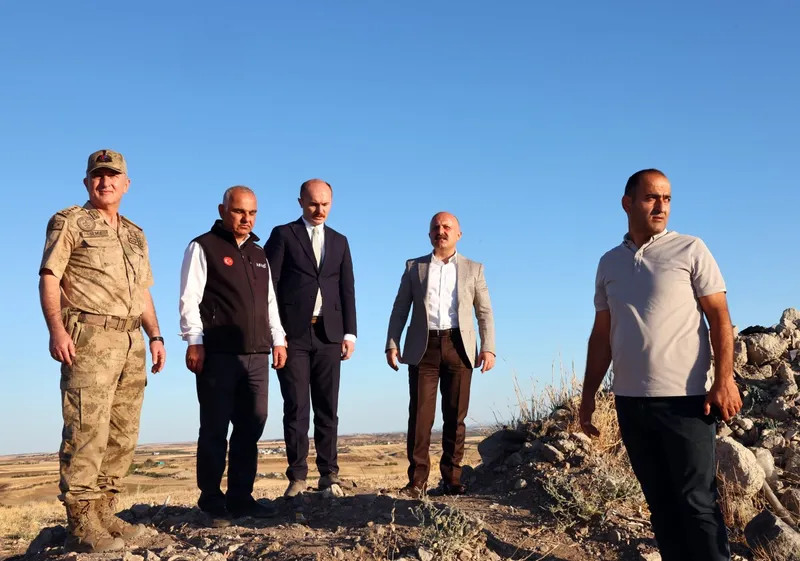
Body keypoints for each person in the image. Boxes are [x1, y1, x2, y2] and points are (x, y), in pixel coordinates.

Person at [579, 169, 742, 561]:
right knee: (661, 505)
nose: (661, 206)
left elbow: (720, 318)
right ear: (628, 203)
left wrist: (724, 379)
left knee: (697, 503)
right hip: (630, 402)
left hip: (686, 400)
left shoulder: (690, 249)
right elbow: (601, 335)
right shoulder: (609, 263)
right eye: (652, 197)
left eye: (667, 199)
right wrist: (587, 397)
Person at [39, 149, 166, 553]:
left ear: (126, 184)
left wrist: (156, 336)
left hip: (131, 341)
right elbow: (49, 277)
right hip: (89, 338)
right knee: (86, 430)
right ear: (87, 182)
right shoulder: (70, 222)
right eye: (98, 175)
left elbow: (143, 290)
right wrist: (56, 330)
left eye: (113, 176)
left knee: (122, 433)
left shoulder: (135, 233)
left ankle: (105, 510)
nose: (105, 181)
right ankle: (81, 521)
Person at [179, 186, 287, 525]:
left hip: (257, 354)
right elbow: (189, 298)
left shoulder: (258, 252)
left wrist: (279, 339)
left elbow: (269, 302)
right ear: (222, 210)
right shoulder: (203, 246)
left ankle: (241, 497)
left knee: (251, 425)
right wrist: (193, 340)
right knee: (215, 426)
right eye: (240, 211)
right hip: (218, 353)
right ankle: (211, 500)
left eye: (252, 213)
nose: (246, 219)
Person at [385, 212, 496, 498]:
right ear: (429, 234)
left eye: (447, 227)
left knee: (455, 416)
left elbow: (484, 311)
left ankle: (452, 480)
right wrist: (392, 342)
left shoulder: (474, 268)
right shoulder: (415, 267)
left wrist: (488, 347)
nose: (441, 231)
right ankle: (417, 482)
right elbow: (400, 308)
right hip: (423, 348)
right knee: (420, 416)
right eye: (436, 227)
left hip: (459, 346)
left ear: (458, 234)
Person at [264, 179, 357, 497]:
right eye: (314, 204)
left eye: (325, 204)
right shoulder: (283, 235)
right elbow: (269, 286)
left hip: (330, 335)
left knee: (328, 407)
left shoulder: (340, 241)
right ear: (301, 202)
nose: (320, 210)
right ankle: (298, 477)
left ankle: (329, 473)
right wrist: (275, 334)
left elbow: (347, 289)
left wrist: (350, 332)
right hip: (293, 336)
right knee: (296, 406)